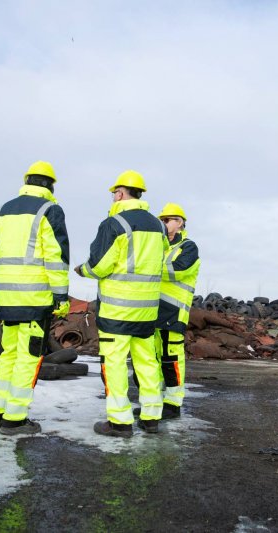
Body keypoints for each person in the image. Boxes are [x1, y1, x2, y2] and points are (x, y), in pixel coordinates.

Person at [74, 170, 167, 437]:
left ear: (119, 193)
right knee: (147, 362)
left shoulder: (114, 223)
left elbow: (100, 265)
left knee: (114, 364)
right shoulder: (157, 226)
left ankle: (120, 422)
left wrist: (83, 270)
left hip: (117, 310)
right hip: (147, 310)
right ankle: (151, 417)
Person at [0, 161, 70, 436]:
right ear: (50, 185)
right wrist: (61, 296)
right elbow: (56, 257)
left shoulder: (2, 210)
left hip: (7, 299)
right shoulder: (49, 210)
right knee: (28, 358)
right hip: (34, 299)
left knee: (8, 355)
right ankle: (15, 419)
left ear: (27, 181)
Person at [152, 203, 200, 419]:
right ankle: (154, 403)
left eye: (168, 219)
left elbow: (179, 270)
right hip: (152, 310)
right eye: (162, 220)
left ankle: (172, 404)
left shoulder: (188, 247)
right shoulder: (157, 247)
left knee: (171, 358)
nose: (164, 223)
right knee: (152, 358)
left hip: (173, 312)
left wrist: (149, 269)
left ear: (180, 223)